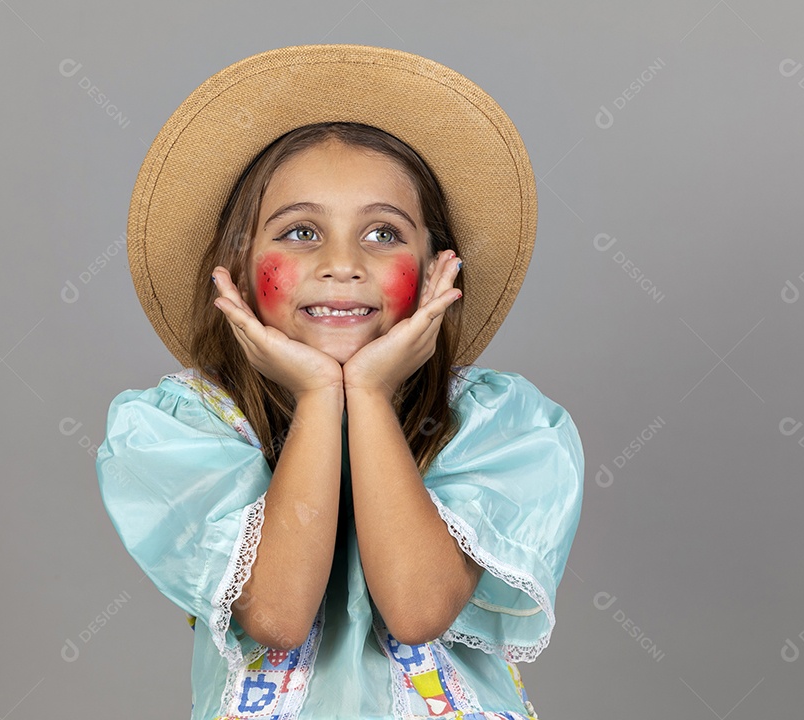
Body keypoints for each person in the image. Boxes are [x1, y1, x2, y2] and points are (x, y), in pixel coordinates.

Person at [96, 44, 584, 720]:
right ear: (236, 268)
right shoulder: (179, 427)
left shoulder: (505, 425)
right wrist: (324, 396)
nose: (342, 263)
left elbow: (416, 609)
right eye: (300, 231)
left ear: (439, 268)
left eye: (383, 233)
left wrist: (370, 396)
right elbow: (277, 614)